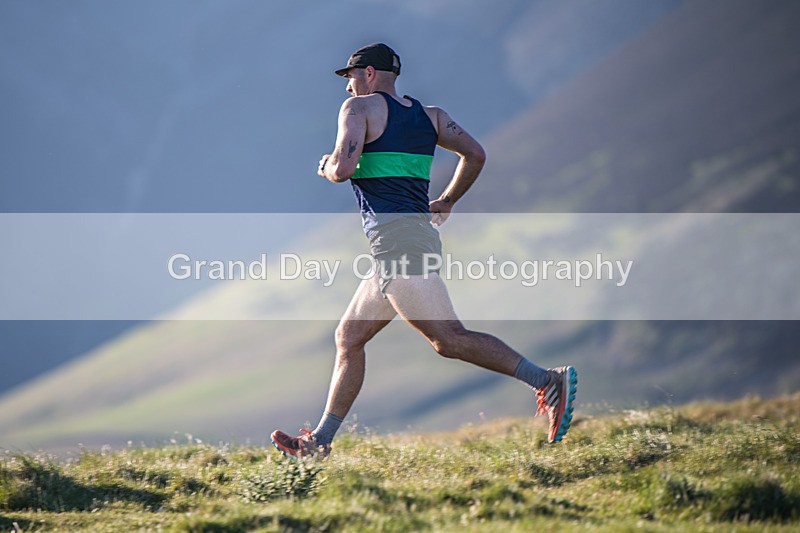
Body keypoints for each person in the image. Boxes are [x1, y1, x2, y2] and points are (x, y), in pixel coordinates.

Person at [271, 43, 577, 458]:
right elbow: (476, 154)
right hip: (407, 241)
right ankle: (319, 443)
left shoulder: (358, 112)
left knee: (449, 339)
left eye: (352, 77)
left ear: (371, 74)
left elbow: (342, 171)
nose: (348, 88)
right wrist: (448, 199)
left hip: (398, 244)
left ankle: (546, 381)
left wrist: (325, 164)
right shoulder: (431, 117)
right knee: (349, 337)